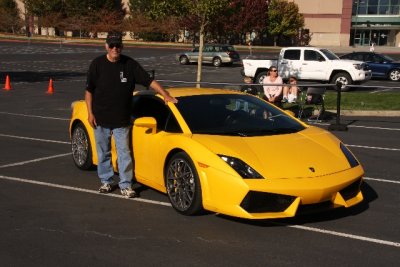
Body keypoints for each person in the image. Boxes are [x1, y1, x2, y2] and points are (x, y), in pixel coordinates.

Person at [85, 32, 177, 198]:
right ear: (106, 46)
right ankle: (106, 181)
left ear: (122, 47)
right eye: (112, 45)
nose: (115, 48)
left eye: (118, 45)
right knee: (103, 152)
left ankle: (125, 185)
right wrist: (90, 113)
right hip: (100, 119)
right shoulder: (97, 64)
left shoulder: (130, 65)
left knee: (124, 153)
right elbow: (89, 91)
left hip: (122, 120)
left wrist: (165, 95)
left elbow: (149, 81)